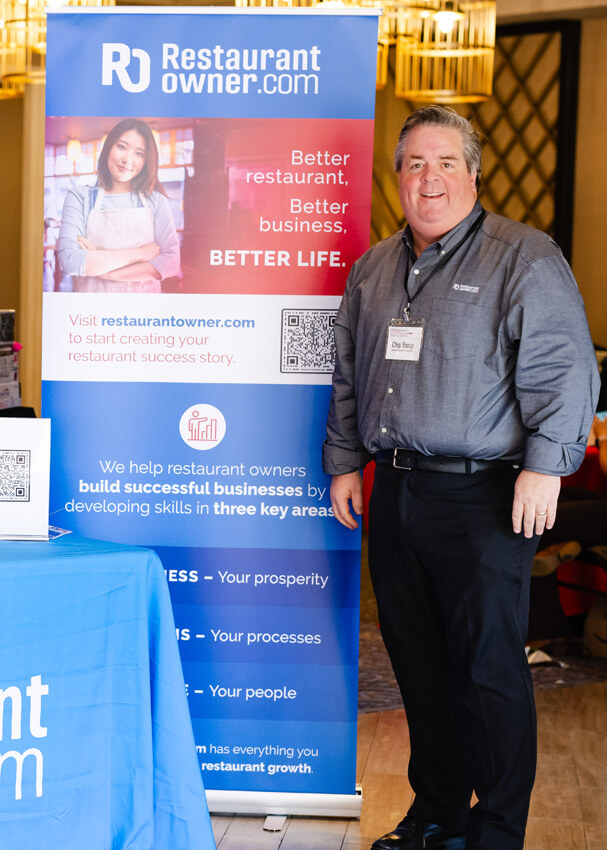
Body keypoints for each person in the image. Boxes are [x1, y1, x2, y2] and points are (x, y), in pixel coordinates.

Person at [323, 106, 599, 850]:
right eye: (414, 163)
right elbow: (349, 375)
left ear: (473, 174)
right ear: (397, 179)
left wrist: (547, 467)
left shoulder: (523, 258)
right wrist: (345, 461)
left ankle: (497, 829)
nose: (429, 177)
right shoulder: (373, 268)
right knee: (416, 661)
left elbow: (564, 372)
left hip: (489, 497)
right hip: (398, 491)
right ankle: (435, 812)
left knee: (486, 669)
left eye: (445, 162)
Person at [56, 118, 180, 293]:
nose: (127, 160)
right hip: (89, 314)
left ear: (146, 160)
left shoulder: (155, 200)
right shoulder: (79, 197)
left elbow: (171, 262)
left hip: (142, 314)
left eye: (139, 153)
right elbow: (70, 260)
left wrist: (106, 271)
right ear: (108, 148)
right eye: (121, 147)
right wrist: (141, 254)